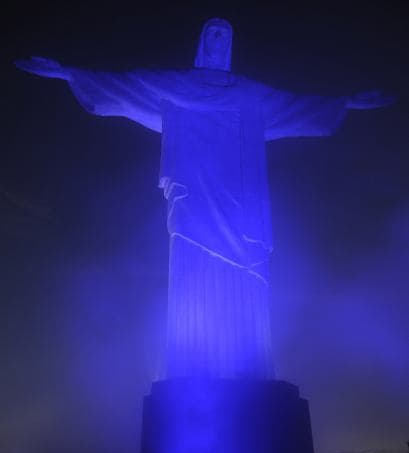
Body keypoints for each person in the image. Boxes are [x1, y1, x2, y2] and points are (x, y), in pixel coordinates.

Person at [15, 19, 394, 380]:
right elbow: (126, 87)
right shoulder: (177, 86)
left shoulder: (249, 94)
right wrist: (67, 72)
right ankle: (190, 366)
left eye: (223, 35)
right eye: (211, 33)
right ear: (201, 41)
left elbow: (298, 107)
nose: (217, 40)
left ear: (229, 45)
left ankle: (251, 370)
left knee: (247, 274)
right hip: (195, 198)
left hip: (242, 205)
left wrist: (346, 104)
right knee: (193, 267)